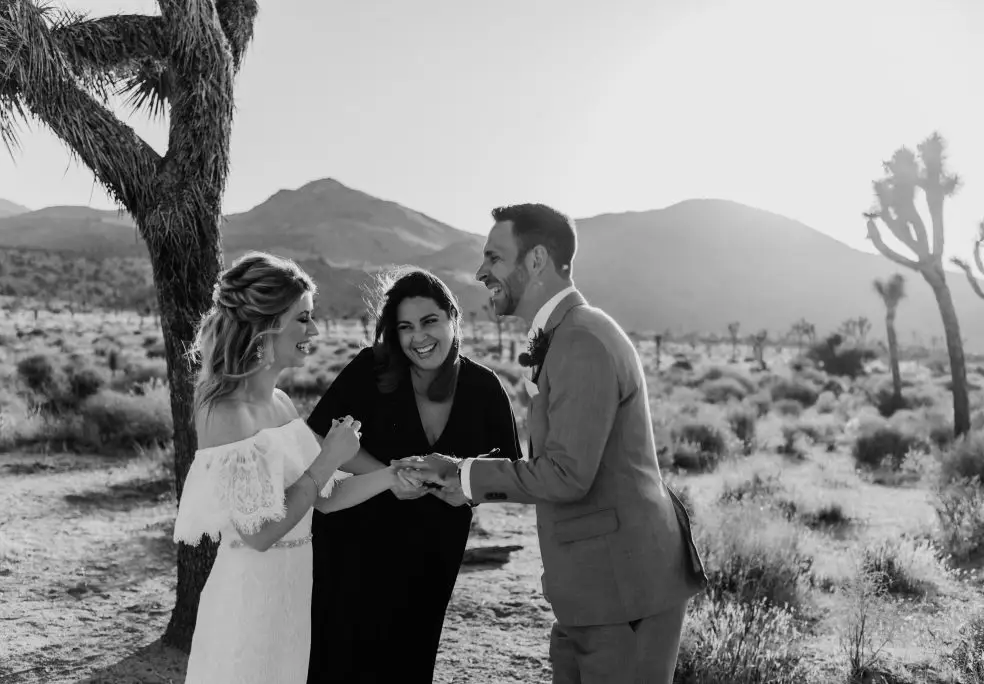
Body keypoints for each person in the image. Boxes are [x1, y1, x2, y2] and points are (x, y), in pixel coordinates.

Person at [398, 204, 709, 684]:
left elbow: (567, 473)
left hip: (623, 593)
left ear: (537, 259)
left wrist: (465, 475)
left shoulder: (582, 340)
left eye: (494, 258)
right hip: (593, 587)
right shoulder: (566, 335)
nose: (481, 272)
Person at [171, 252, 423, 684]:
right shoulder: (223, 413)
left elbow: (322, 498)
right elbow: (259, 532)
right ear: (267, 324)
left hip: (292, 589)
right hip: (248, 598)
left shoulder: (281, 403)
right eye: (303, 319)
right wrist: (328, 458)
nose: (315, 330)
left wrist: (390, 477)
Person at [306, 267, 523, 684]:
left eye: (430, 322)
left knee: (410, 656)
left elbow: (510, 472)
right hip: (353, 541)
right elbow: (320, 436)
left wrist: (466, 491)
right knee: (338, 657)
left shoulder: (485, 388)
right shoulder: (370, 369)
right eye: (405, 327)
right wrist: (391, 475)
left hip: (432, 549)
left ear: (453, 318)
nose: (419, 338)